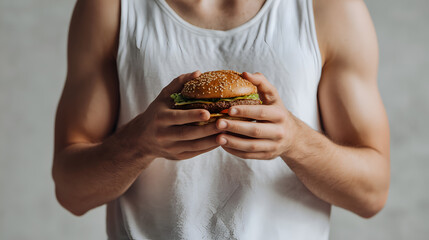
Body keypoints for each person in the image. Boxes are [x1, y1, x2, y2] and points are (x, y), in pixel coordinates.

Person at [52, 0, 390, 239]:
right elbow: (72, 193)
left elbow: (371, 194)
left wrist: (295, 141)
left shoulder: (330, 8)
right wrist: (140, 142)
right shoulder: (110, 7)